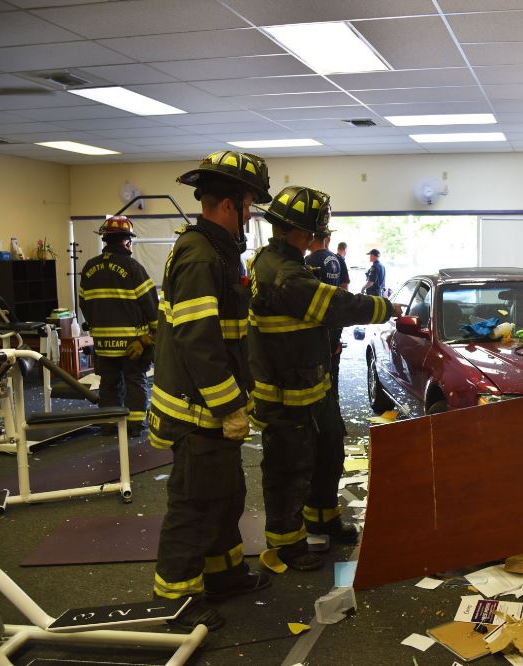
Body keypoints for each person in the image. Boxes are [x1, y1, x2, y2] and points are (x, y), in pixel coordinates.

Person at [247, 186, 401, 572]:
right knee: (289, 467)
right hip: (284, 391)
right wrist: (384, 306)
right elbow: (332, 304)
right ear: (300, 231)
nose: (316, 238)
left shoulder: (284, 261)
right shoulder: (282, 272)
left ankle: (322, 517)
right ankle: (287, 543)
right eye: (314, 231)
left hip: (310, 384)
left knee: (328, 449)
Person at [149, 150, 272, 632]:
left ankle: (224, 576)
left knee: (225, 495)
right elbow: (199, 341)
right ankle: (173, 603)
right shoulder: (201, 255)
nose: (252, 215)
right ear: (230, 205)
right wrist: (228, 406)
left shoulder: (218, 250)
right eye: (250, 205)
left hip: (214, 411)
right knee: (194, 507)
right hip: (199, 413)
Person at [78, 215, 158, 437]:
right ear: (126, 242)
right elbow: (150, 302)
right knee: (135, 382)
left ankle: (109, 424)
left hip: (103, 343)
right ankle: (134, 426)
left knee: (109, 384)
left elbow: (84, 303)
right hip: (133, 343)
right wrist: (155, 331)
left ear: (105, 240)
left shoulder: (89, 268)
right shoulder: (132, 267)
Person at [305, 229, 346, 394]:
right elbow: (345, 294)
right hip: (334, 327)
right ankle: (333, 406)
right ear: (327, 239)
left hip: (315, 330)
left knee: (316, 377)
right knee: (333, 374)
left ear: (312, 237)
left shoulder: (307, 261)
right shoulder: (338, 260)